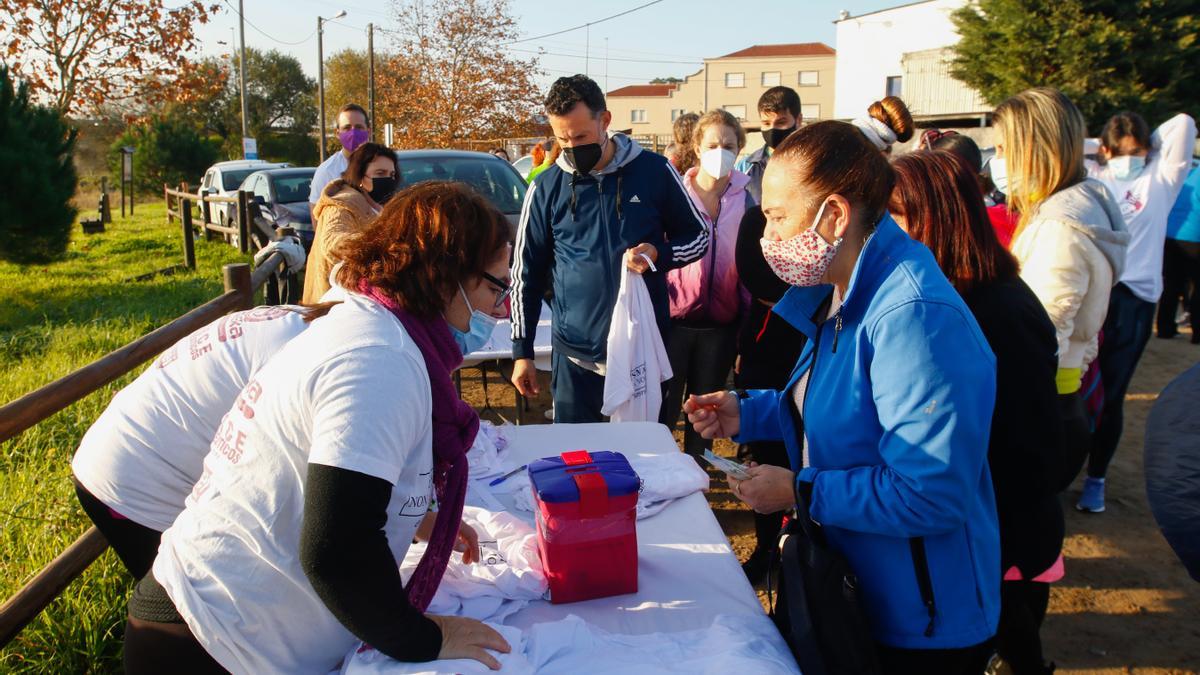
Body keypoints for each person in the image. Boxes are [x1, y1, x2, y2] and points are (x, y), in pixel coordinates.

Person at [123, 182, 514, 674]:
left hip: (229, 631)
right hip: (211, 645)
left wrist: (412, 517)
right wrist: (424, 637)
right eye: (494, 287)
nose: (500, 309)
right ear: (442, 278)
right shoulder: (380, 359)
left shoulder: (377, 330)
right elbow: (337, 549)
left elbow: (337, 476)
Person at [685, 121, 1000, 673]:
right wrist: (751, 411)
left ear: (834, 214)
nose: (768, 237)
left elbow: (930, 494)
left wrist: (798, 493)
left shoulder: (914, 317)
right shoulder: (840, 288)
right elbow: (838, 404)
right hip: (857, 583)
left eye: (779, 218)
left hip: (919, 618)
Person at [890, 150, 1064, 675]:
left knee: (1012, 647)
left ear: (934, 217)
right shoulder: (951, 293)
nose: (881, 230)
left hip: (1001, 529)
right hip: (976, 522)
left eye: (893, 214)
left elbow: (1030, 445)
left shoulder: (997, 309)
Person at [510, 74, 709, 423]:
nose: (572, 148)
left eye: (581, 136)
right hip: (575, 355)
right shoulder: (545, 186)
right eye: (562, 138)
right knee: (577, 461)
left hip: (641, 351)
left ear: (605, 121)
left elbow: (699, 237)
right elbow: (524, 275)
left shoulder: (654, 170)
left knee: (643, 461)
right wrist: (521, 351)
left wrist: (659, 254)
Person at [71, 306, 313, 580]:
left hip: (118, 449)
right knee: (195, 606)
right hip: (136, 483)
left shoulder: (297, 318)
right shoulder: (305, 354)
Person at [992, 87, 1129, 497]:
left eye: (1002, 148)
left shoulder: (1059, 228)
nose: (997, 161)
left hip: (1041, 406)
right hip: (1063, 398)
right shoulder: (1082, 206)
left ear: (1034, 149)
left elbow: (1040, 334)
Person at [1080, 111, 1197, 512]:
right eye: (1123, 153)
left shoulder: (1161, 178)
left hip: (1135, 300)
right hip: (1093, 294)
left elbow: (1182, 122)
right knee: (1074, 387)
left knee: (1112, 394)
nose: (1132, 159)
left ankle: (1096, 478)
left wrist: (1142, 145)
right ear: (1107, 151)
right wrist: (1101, 148)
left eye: (1140, 153)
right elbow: (1068, 144)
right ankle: (1067, 466)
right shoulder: (1096, 175)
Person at [659, 109, 752, 458]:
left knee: (706, 417)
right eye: (712, 144)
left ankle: (698, 480)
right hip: (674, 326)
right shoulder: (675, 194)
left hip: (722, 329)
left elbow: (748, 268)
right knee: (664, 414)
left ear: (739, 149)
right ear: (697, 147)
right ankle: (660, 479)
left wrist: (744, 330)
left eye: (729, 145)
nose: (720, 151)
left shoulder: (747, 198)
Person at [303, 143, 400, 303]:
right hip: (333, 304)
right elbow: (332, 242)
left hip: (360, 296)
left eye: (391, 174)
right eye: (380, 173)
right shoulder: (341, 204)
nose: (387, 179)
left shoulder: (378, 203)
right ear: (360, 175)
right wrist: (381, 245)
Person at [736, 86, 801, 203]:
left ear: (798, 120)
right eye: (766, 123)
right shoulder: (746, 167)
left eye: (781, 122)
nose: (772, 129)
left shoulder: (812, 162)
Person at [1159, 163, 1200, 341]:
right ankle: (1198, 333)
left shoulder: (1188, 174)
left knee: (1172, 284)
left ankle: (1165, 328)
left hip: (1171, 235)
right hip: (1195, 237)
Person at [309, 103, 372, 215]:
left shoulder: (385, 166)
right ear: (338, 133)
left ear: (368, 131)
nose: (353, 133)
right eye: (347, 128)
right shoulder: (326, 171)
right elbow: (317, 219)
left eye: (358, 127)